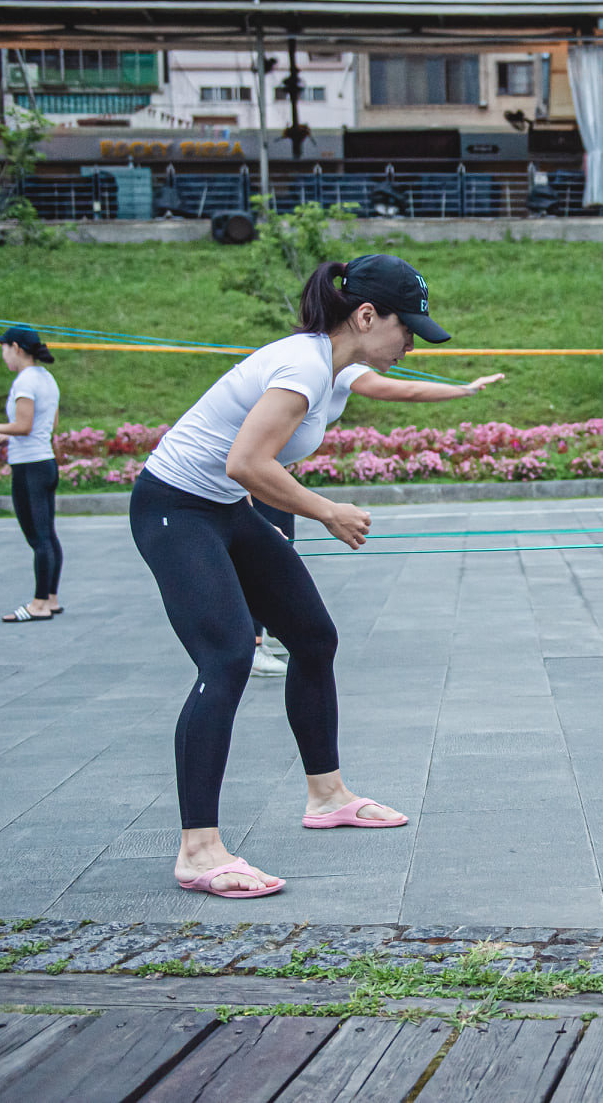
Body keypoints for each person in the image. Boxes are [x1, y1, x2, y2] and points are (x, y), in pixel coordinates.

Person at [130, 253, 450, 898]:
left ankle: (327, 795)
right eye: (406, 327)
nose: (411, 343)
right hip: (174, 509)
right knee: (225, 661)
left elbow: (246, 471)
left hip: (224, 508)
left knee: (312, 639)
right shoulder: (303, 365)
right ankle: (198, 851)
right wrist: (327, 510)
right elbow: (248, 460)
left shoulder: (336, 367)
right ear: (365, 316)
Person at [246, 361, 505, 679]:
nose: (403, 350)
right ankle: (252, 643)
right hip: (251, 469)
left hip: (269, 467)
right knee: (261, 552)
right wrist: (466, 389)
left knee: (279, 547)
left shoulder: (329, 361)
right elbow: (404, 389)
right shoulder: (336, 362)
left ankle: (271, 626)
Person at [0, 325, 63, 623]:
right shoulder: (46, 378)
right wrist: (10, 436)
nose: (3, 355)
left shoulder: (26, 380)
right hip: (45, 462)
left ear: (16, 347)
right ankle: (50, 598)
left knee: (37, 536)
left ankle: (39, 603)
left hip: (29, 467)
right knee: (48, 535)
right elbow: (48, 423)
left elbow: (24, 424)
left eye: (3, 348)